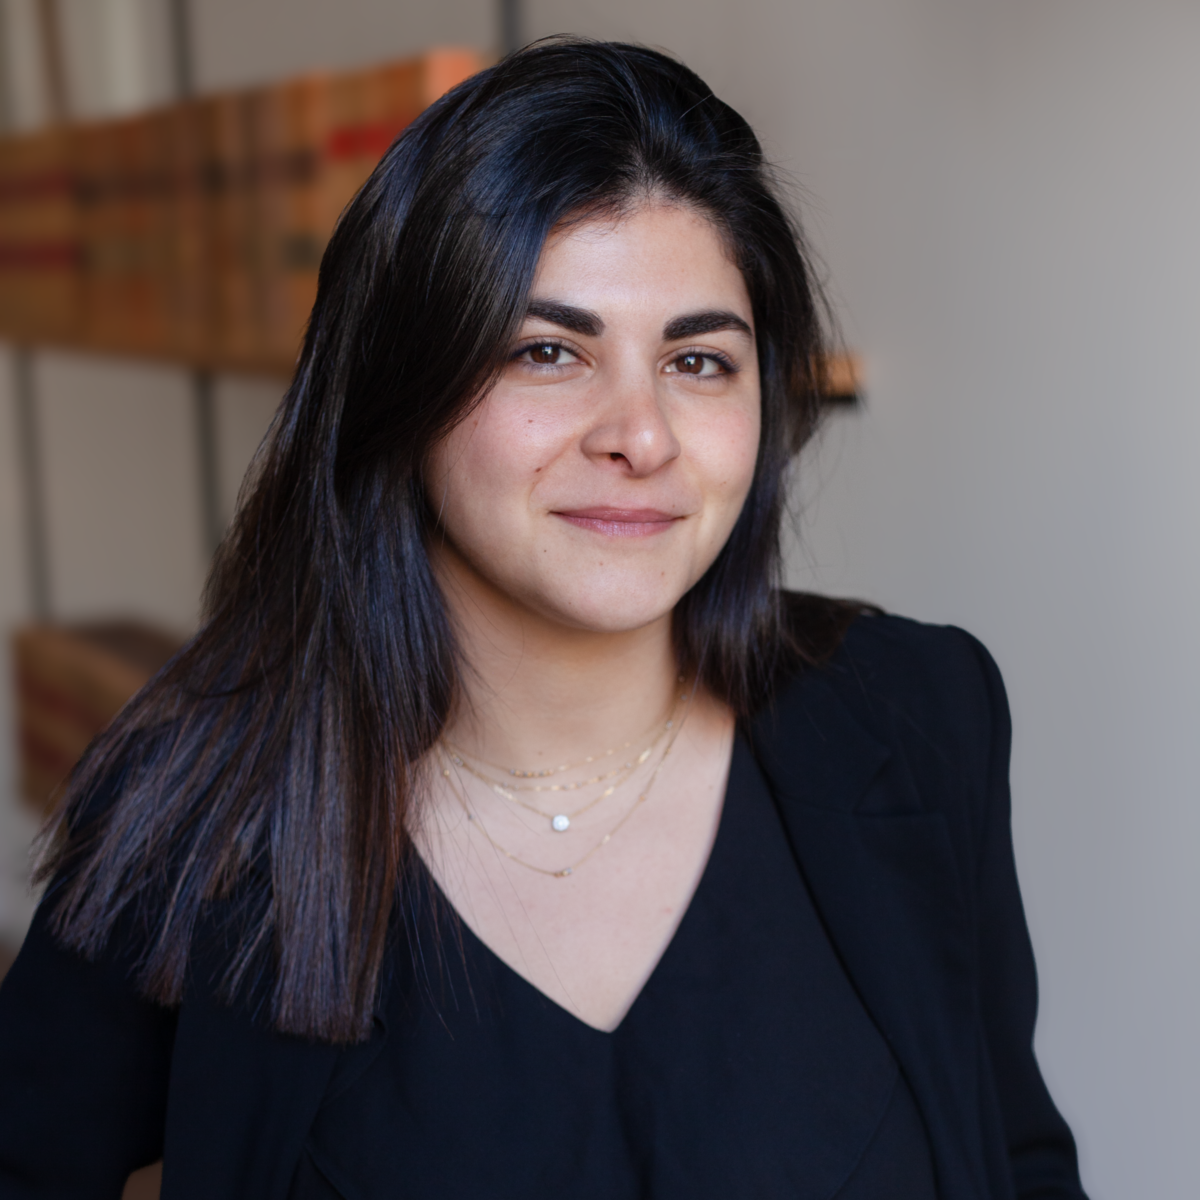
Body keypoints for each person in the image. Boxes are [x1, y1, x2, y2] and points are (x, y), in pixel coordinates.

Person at [0, 39, 1088, 1200]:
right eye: (548, 351)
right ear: (401, 387)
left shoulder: (919, 715)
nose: (642, 436)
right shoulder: (206, 804)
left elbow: (1017, 1158)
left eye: (699, 361)